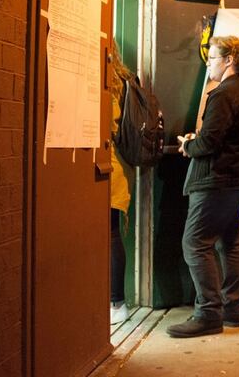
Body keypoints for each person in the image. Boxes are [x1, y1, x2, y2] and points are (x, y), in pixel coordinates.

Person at [167, 35, 239, 338]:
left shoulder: (223, 94)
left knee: (195, 244)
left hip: (215, 181)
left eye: (214, 58)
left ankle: (208, 313)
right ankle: (231, 309)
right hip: (237, 181)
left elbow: (210, 141)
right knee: (230, 242)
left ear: (230, 60)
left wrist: (189, 145)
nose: (209, 63)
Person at [108, 43, 133, 325]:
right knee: (112, 235)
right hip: (116, 169)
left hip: (104, 167)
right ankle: (117, 302)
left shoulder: (104, 84)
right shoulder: (121, 82)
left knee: (111, 236)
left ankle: (117, 303)